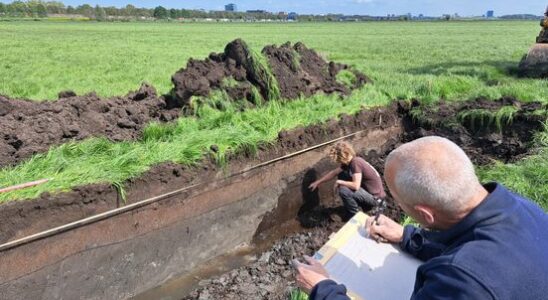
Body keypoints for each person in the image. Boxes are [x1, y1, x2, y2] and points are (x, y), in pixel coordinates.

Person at [294, 136, 548, 299]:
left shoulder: (459, 281)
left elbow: (468, 268)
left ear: (425, 213)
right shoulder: (521, 207)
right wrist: (407, 236)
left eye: (402, 203)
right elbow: (470, 245)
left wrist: (323, 289)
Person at [308, 142, 385, 217]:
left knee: (344, 190)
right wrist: (318, 182)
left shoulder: (355, 163)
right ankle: (358, 205)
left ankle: (356, 215)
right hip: (370, 194)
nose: (338, 161)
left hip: (376, 199)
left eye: (339, 159)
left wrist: (340, 182)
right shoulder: (351, 161)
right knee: (342, 175)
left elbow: (356, 186)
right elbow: (334, 172)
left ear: (345, 155)